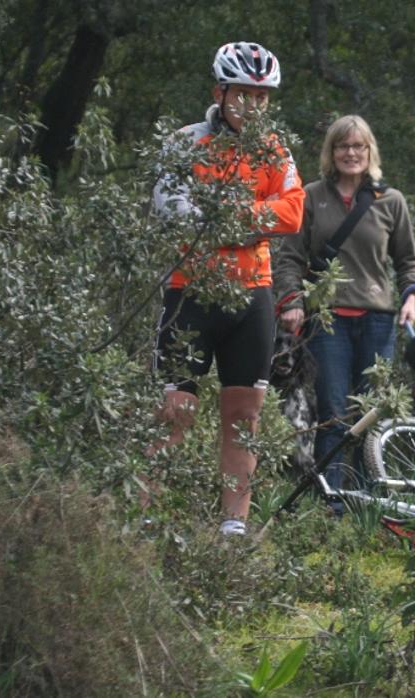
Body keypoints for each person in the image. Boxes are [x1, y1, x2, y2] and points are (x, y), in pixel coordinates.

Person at [149, 41, 304, 536]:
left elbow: (293, 212)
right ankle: (148, 513)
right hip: (189, 290)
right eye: (244, 95)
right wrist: (256, 220)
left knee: (244, 414)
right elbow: (172, 212)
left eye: (263, 97)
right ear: (220, 91)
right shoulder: (183, 142)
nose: (253, 106)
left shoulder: (275, 148)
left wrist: (230, 219)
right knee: (176, 409)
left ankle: (233, 526)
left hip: (251, 293)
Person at [274, 115, 415, 512]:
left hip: (378, 320)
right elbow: (289, 258)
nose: (351, 153)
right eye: (343, 146)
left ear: (370, 151)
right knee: (334, 412)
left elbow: (408, 260)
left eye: (359, 146)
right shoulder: (310, 196)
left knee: (370, 414)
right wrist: (290, 301)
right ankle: (332, 504)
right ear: (331, 152)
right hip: (327, 320)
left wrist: (411, 298)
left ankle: (371, 507)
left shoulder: (390, 201)